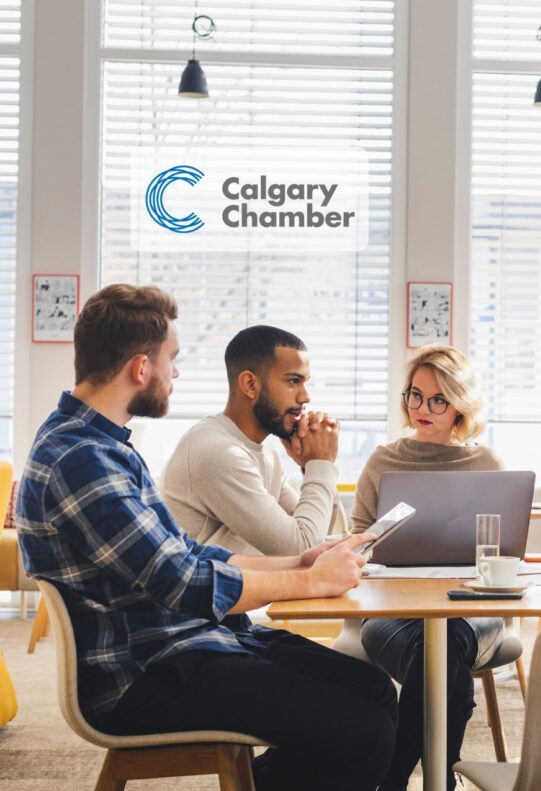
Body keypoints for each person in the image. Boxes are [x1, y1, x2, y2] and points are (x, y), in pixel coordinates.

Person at [15, 284, 397, 791]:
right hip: (146, 673)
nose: (176, 373)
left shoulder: (103, 447)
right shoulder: (81, 458)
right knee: (363, 730)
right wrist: (309, 583)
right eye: (171, 359)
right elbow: (184, 583)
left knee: (371, 688)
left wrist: (302, 563)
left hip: (181, 643)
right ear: (140, 368)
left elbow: (187, 552)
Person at [351, 345, 504, 791]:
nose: (422, 408)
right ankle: (443, 778)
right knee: (444, 661)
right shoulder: (383, 461)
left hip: (473, 610)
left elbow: (504, 551)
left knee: (450, 637)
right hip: (392, 613)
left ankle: (393, 779)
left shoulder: (487, 464)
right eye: (414, 395)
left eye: (438, 399)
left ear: (460, 404)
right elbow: (357, 544)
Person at [162, 324, 345, 556]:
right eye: (293, 381)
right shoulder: (218, 452)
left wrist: (312, 466)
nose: (305, 396)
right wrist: (321, 463)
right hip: (210, 591)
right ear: (250, 385)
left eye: (305, 382)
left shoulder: (265, 452)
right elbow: (300, 548)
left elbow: (316, 535)